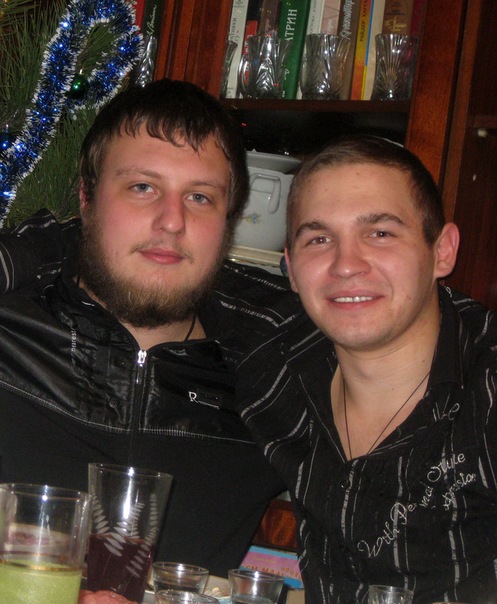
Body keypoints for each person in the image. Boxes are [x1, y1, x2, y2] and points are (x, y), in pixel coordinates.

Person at [0, 78, 300, 577]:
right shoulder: (9, 334)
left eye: (200, 197)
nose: (172, 221)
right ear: (86, 199)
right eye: (142, 187)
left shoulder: (272, 378)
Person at [237, 135, 497, 604]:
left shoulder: (486, 386)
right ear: (290, 268)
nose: (346, 265)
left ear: (442, 251)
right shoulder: (274, 374)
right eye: (319, 239)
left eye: (380, 233)